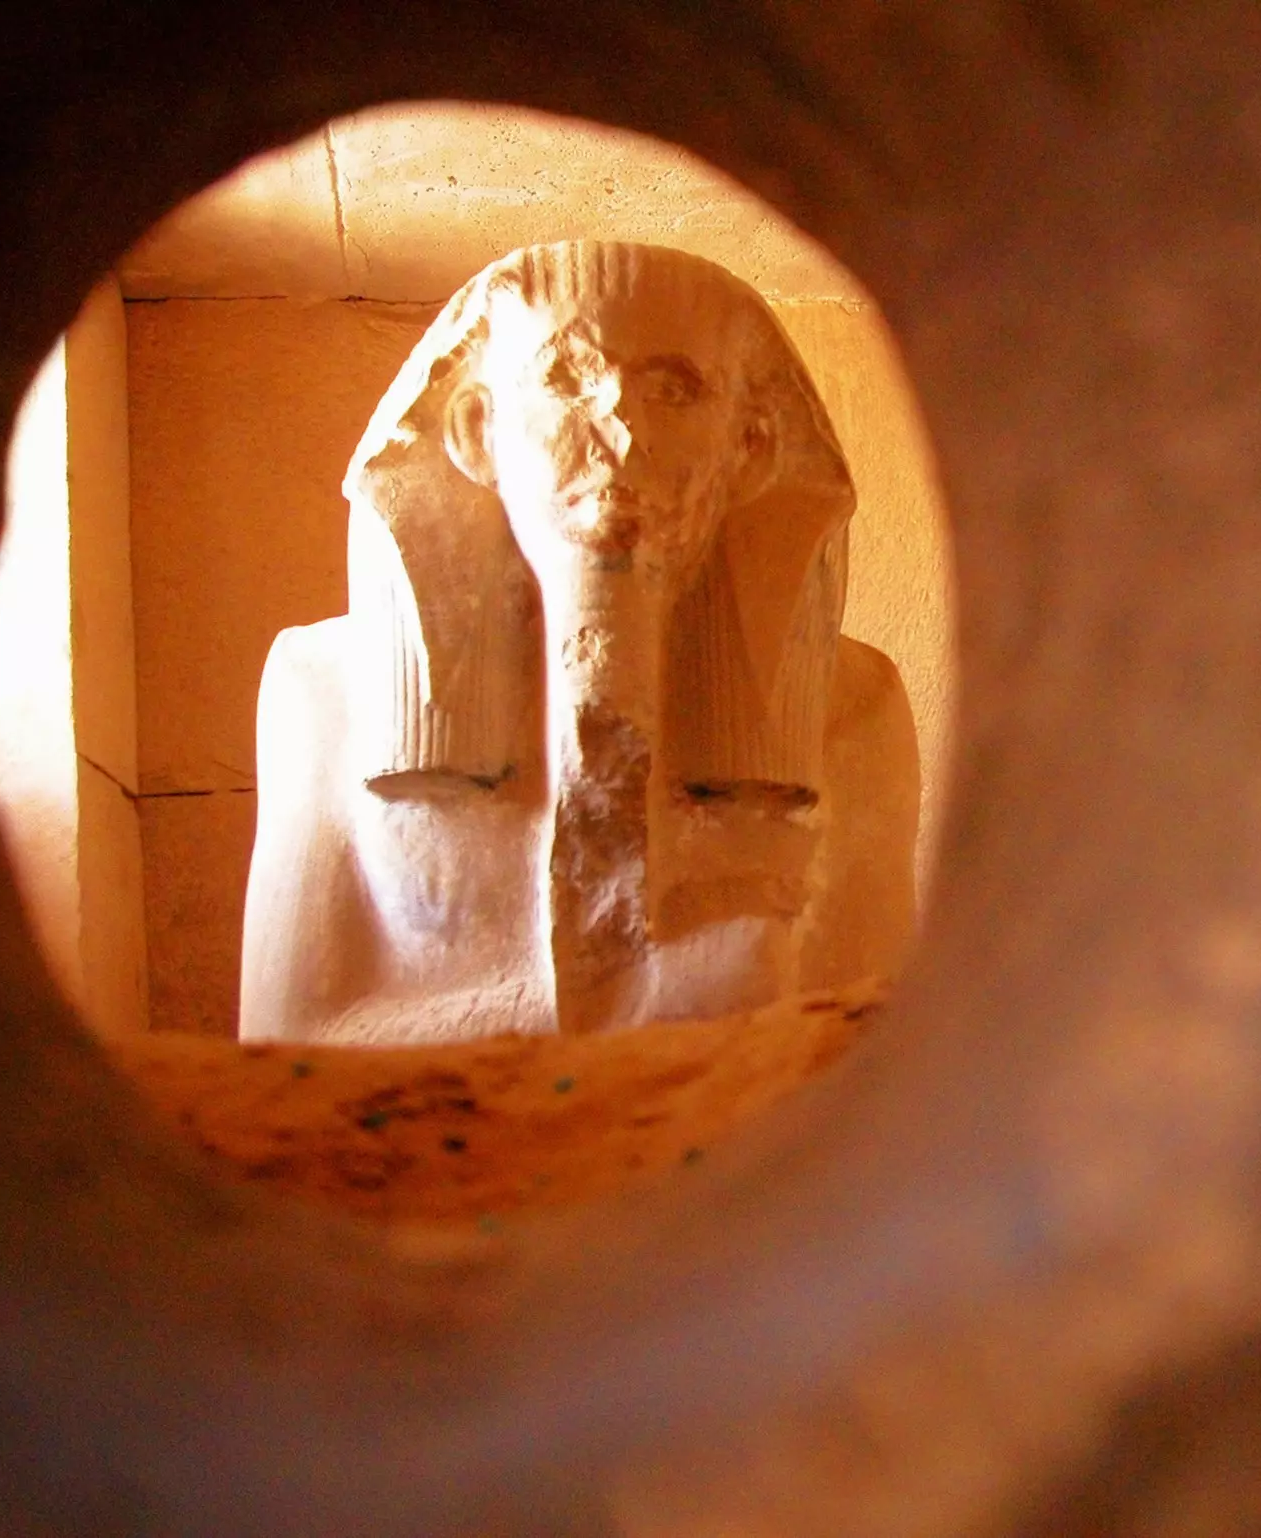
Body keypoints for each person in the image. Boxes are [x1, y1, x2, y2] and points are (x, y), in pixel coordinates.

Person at [240, 241, 918, 1043]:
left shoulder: (856, 705)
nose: (621, 432)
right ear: (476, 430)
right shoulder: (322, 687)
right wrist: (663, 1006)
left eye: (674, 390)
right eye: (568, 379)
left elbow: (883, 1060)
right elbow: (281, 1050)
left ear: (750, 448)